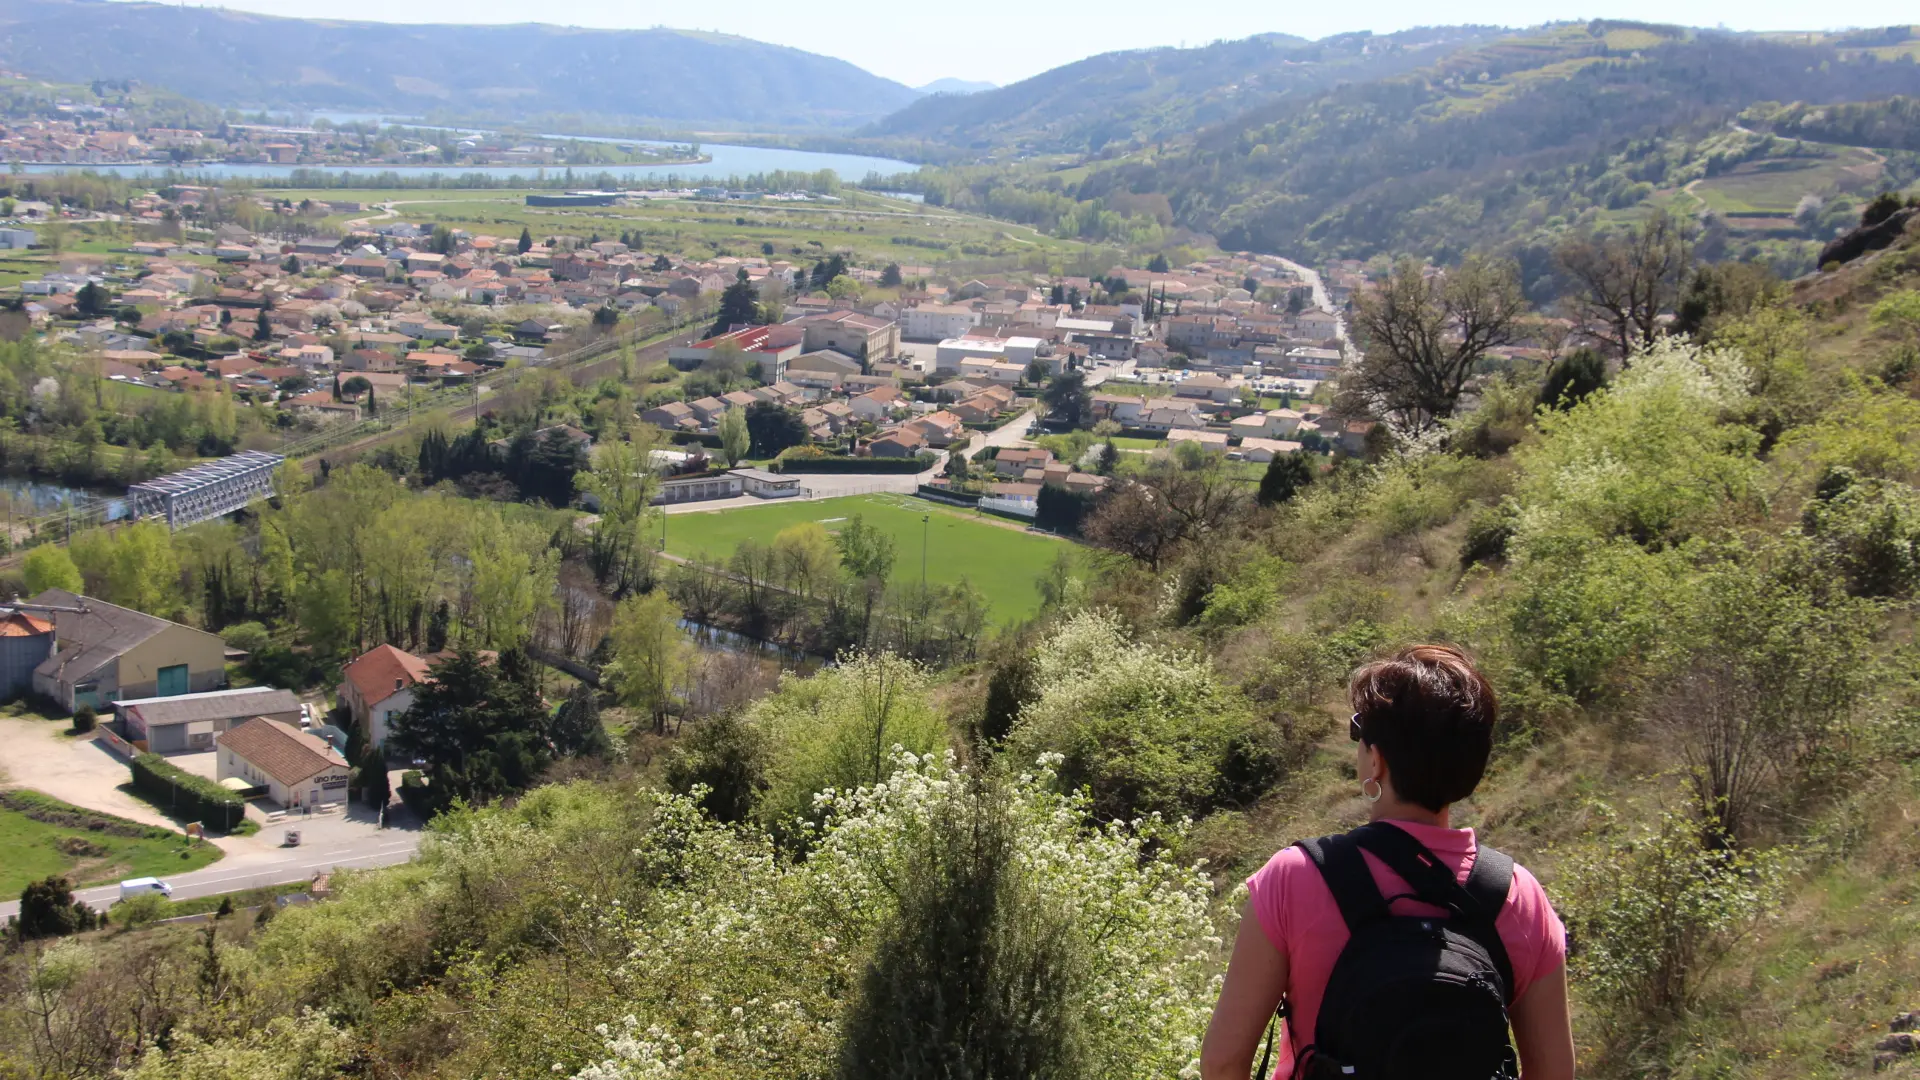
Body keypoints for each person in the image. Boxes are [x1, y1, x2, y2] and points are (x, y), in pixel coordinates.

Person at [1200, 645, 1575, 1080]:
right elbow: (1553, 1073)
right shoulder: (1519, 896)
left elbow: (1224, 1063)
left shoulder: (1295, 877)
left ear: (1375, 762)